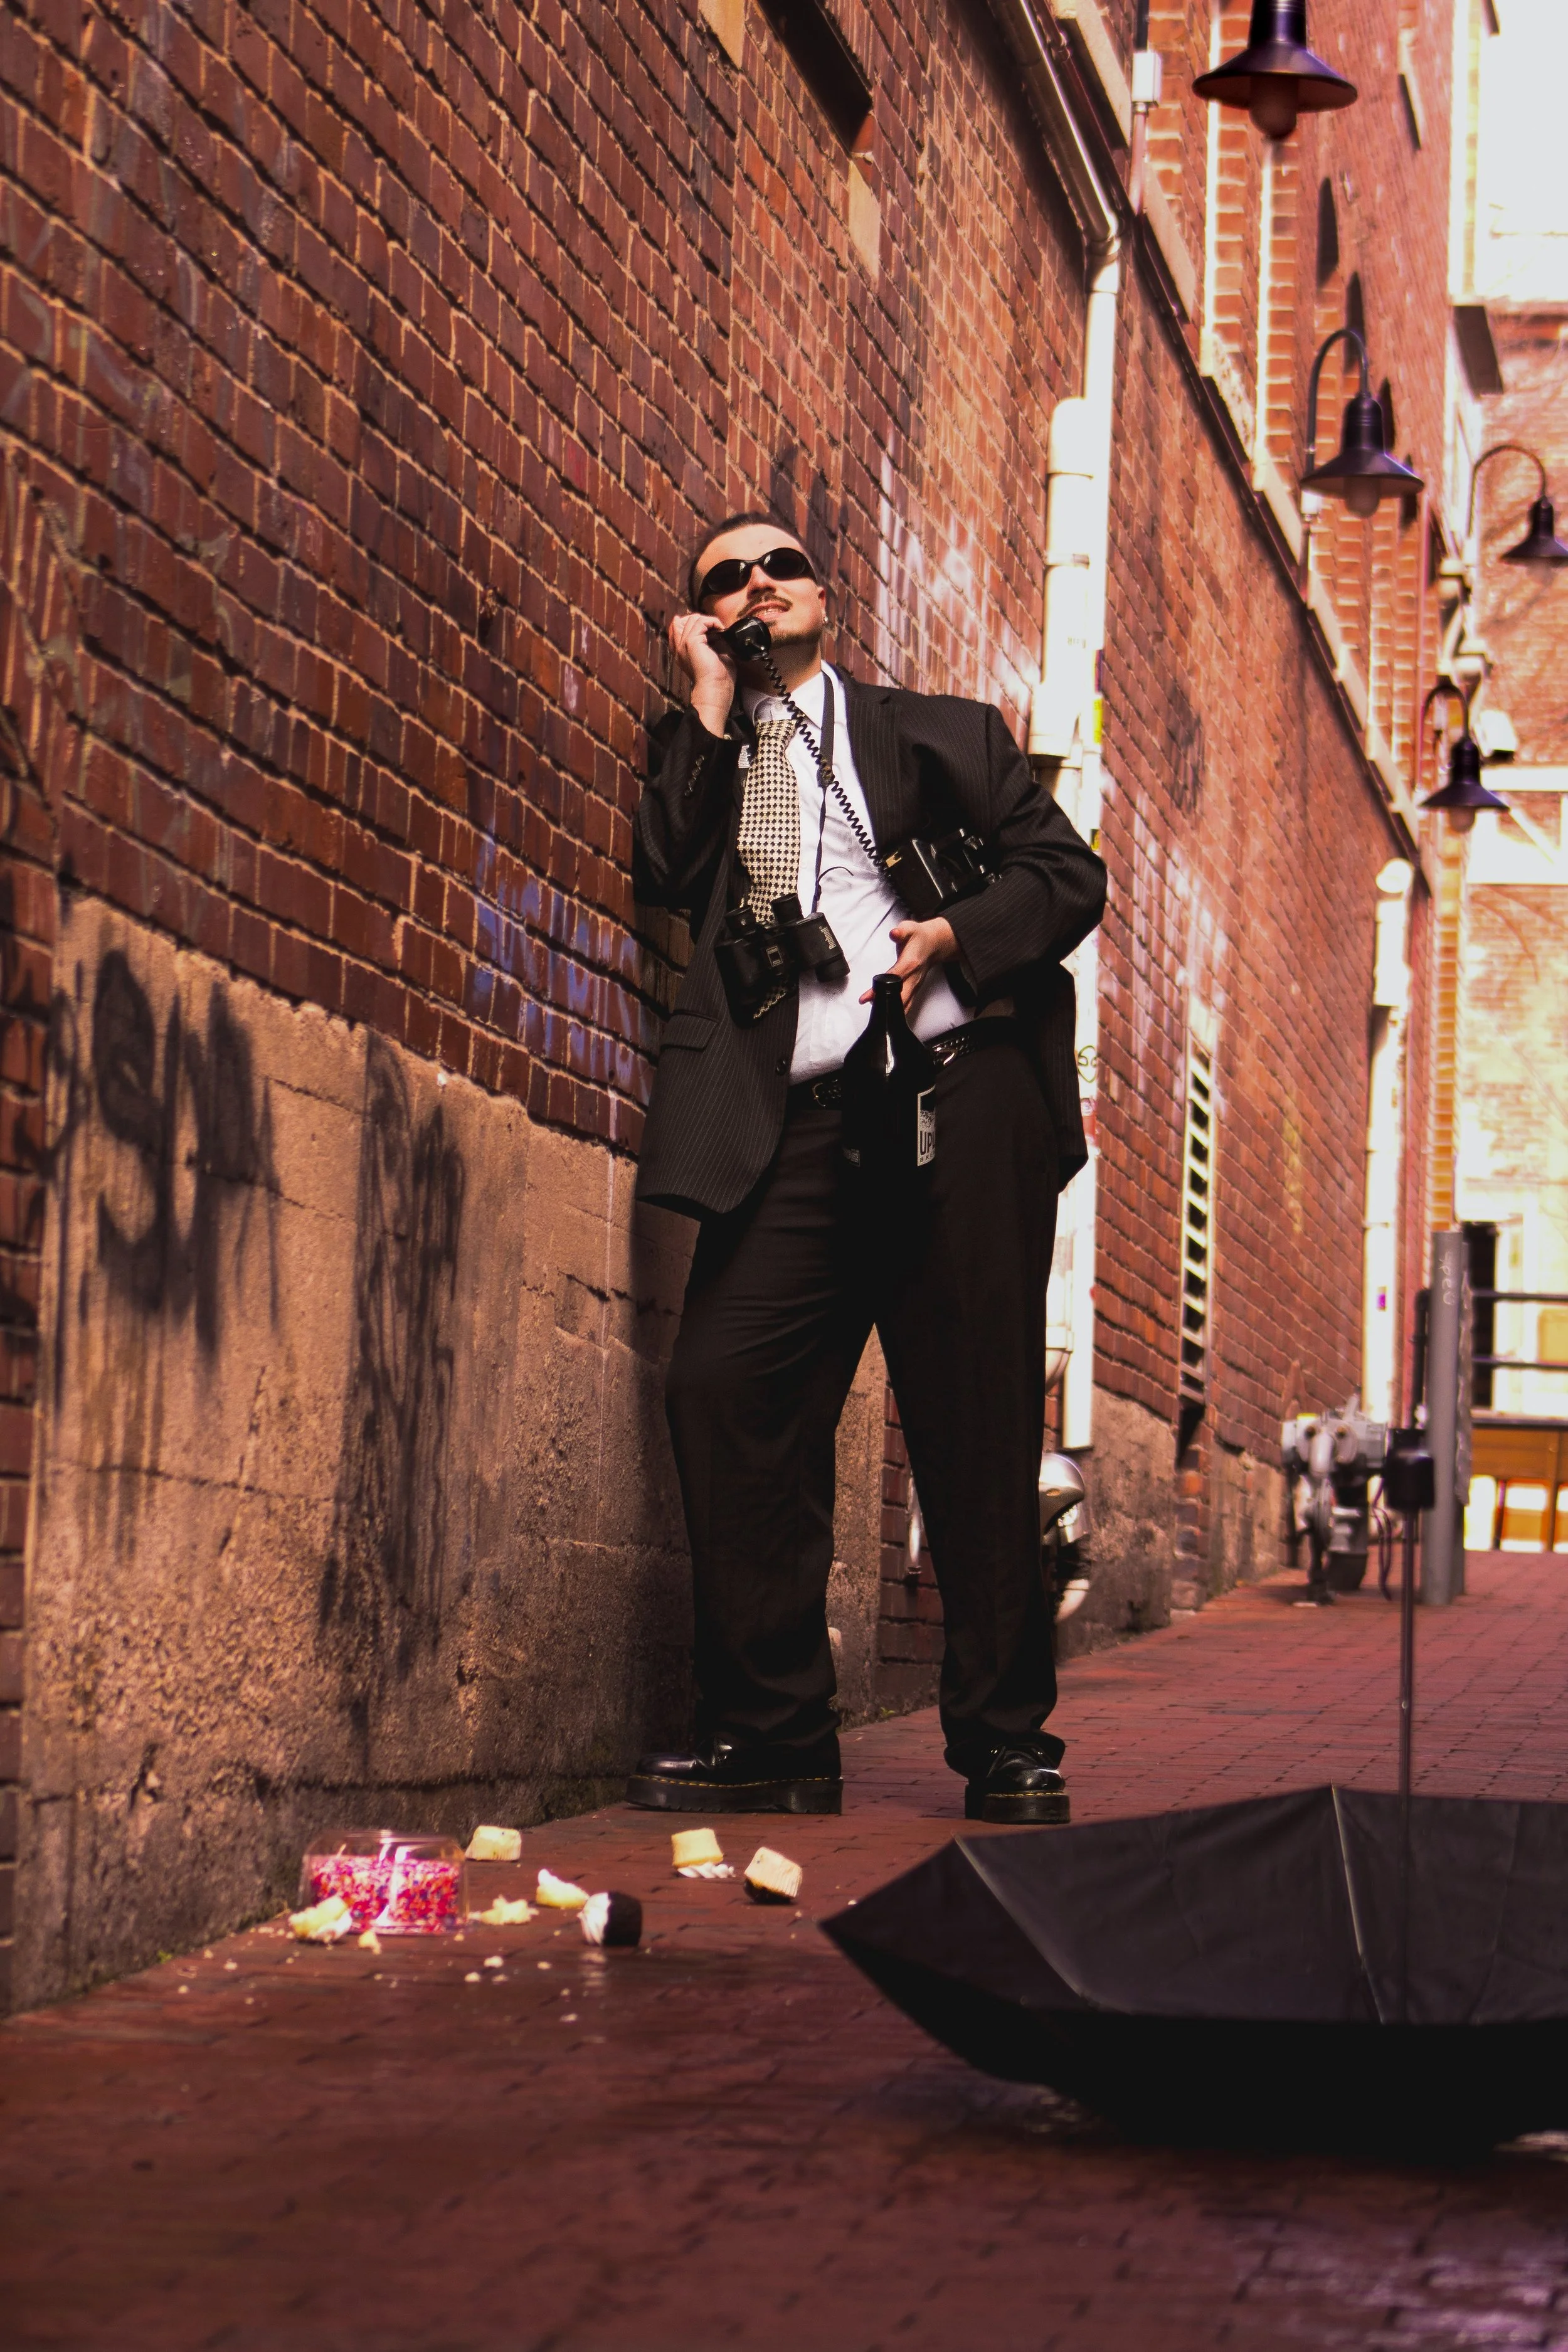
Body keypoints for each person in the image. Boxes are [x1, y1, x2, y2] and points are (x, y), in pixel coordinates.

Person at [627, 513, 1106, 1823]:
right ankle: (774, 1734)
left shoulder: (942, 735)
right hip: (793, 1132)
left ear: (822, 596)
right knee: (724, 1390)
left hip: (954, 1106)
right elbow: (668, 871)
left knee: (973, 1421)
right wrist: (711, 703)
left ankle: (1006, 1742)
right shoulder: (707, 748)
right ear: (705, 619)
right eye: (723, 579)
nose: (754, 586)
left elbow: (1066, 880)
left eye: (776, 566)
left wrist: (951, 932)